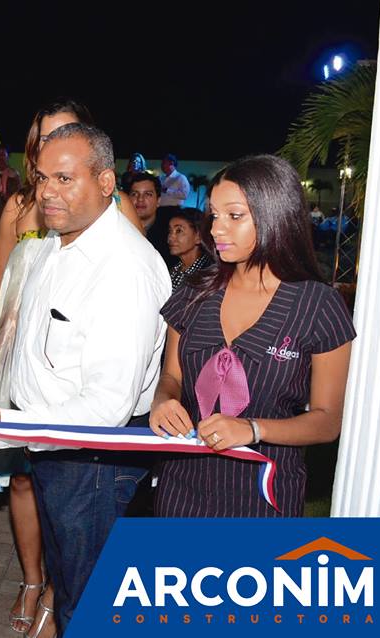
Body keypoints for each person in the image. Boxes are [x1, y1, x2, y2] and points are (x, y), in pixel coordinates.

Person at [0, 122, 171, 635]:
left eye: (65, 179)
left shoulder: (123, 269)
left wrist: (4, 425)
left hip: (93, 464)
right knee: (71, 586)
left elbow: (106, 407)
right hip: (51, 449)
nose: (48, 191)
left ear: (105, 182)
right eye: (43, 177)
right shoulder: (56, 242)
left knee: (88, 602)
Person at [149, 154, 356, 517]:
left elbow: (327, 421)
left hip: (265, 495)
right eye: (213, 215)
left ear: (275, 214)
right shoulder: (196, 291)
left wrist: (253, 429)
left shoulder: (317, 305)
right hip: (181, 489)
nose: (216, 229)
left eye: (234, 216)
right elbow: (172, 377)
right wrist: (163, 402)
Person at [0, 99, 142, 288]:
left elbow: (141, 272)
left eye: (66, 133)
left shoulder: (118, 205)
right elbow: (0, 279)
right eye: (46, 138)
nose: (56, 144)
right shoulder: (17, 207)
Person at [128, 173, 173, 265]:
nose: (140, 199)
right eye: (134, 194)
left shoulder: (169, 236)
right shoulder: (118, 228)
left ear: (158, 201)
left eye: (148, 194)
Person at [166, 207, 211, 291]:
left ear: (198, 236)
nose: (170, 238)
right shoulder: (173, 270)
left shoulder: (207, 275)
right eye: (170, 231)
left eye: (179, 231)